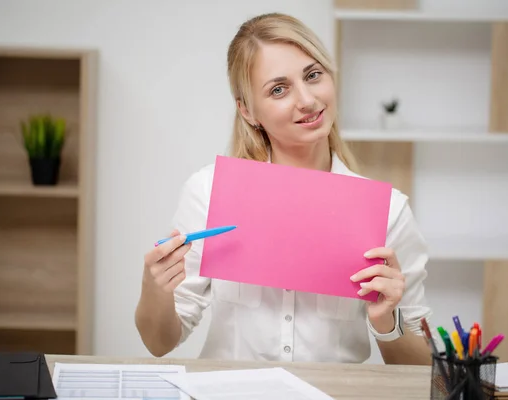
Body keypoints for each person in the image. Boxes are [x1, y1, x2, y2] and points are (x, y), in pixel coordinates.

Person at [135, 12, 433, 365]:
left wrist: (387, 322)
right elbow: (160, 343)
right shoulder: (209, 191)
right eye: (278, 89)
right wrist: (155, 289)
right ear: (247, 111)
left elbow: (421, 370)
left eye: (313, 75)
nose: (306, 100)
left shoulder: (388, 211)